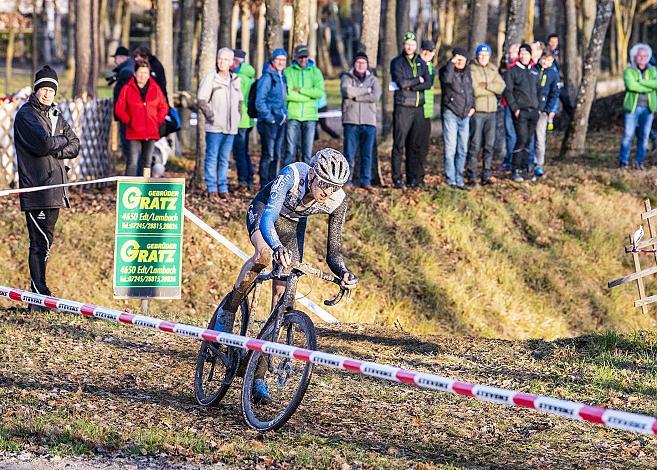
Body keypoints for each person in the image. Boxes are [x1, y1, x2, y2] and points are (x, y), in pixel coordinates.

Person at [211, 148, 359, 403]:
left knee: (284, 296)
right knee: (264, 256)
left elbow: (333, 251)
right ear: (311, 174)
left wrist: (344, 272)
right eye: (324, 183)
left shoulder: (337, 200)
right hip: (264, 212)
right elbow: (268, 219)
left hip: (292, 226)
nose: (328, 192)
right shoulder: (292, 174)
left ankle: (257, 375)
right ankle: (228, 310)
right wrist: (277, 248)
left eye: (335, 186)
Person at [13, 65, 80, 300]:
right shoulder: (26, 115)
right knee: (38, 242)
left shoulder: (55, 114)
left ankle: (40, 290)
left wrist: (57, 148)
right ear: (36, 89)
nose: (47, 94)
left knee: (47, 242)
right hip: (36, 188)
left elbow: (75, 145)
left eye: (51, 90)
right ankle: (38, 293)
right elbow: (42, 145)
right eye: (44, 89)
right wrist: (59, 141)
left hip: (55, 189)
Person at [196, 48, 242, 198]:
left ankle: (223, 188)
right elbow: (201, 99)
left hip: (231, 129)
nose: (221, 62)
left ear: (231, 62)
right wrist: (212, 117)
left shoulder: (236, 79)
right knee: (211, 158)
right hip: (215, 127)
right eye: (219, 59)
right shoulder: (211, 78)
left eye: (225, 59)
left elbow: (240, 101)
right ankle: (211, 188)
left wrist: (238, 117)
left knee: (224, 159)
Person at [390, 32, 433, 188]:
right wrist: (417, 81)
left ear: (416, 47)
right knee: (399, 144)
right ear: (404, 45)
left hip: (418, 108)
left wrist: (412, 84)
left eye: (413, 45)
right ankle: (396, 178)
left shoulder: (421, 62)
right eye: (408, 44)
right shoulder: (397, 62)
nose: (410, 47)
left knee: (415, 146)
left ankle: (413, 178)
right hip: (403, 107)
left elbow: (428, 83)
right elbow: (401, 83)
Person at [115, 59, 169, 177]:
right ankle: (129, 189)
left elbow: (164, 106)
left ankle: (145, 187)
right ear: (135, 73)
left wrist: (157, 121)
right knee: (132, 162)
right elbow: (119, 109)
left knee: (147, 163)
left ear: (149, 74)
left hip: (151, 132)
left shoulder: (155, 89)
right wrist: (129, 121)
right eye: (140, 73)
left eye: (145, 73)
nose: (143, 76)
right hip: (134, 132)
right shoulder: (127, 89)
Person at [340, 51, 381, 190]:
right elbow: (347, 92)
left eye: (363, 63)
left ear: (367, 65)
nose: (361, 65)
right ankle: (347, 181)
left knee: (367, 154)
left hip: (369, 121)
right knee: (349, 153)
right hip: (350, 121)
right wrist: (365, 91)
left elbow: (375, 96)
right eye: (358, 62)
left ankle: (366, 181)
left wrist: (356, 95)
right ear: (354, 64)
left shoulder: (373, 79)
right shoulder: (346, 77)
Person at [467, 44, 506, 185]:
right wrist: (491, 88)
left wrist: (487, 85)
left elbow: (501, 87)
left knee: (489, 145)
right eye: (481, 55)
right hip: (478, 111)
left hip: (492, 111)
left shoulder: (492, 68)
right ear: (477, 55)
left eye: (486, 55)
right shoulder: (472, 69)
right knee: (475, 144)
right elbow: (475, 89)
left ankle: (486, 174)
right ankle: (471, 174)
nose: (483, 57)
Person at [439, 47, 475, 189]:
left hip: (465, 115)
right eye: (458, 58)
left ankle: (459, 180)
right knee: (450, 148)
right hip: (451, 113)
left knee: (462, 149)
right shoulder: (446, 70)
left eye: (463, 59)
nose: (460, 62)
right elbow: (446, 80)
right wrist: (451, 64)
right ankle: (451, 180)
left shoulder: (467, 73)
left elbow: (470, 91)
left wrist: (473, 106)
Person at [503, 44, 540, 182]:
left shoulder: (534, 71)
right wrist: (515, 108)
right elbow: (508, 91)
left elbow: (539, 90)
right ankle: (516, 168)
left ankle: (526, 168)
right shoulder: (512, 71)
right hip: (521, 112)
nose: (524, 56)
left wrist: (539, 107)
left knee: (529, 140)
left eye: (527, 54)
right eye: (522, 54)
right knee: (521, 139)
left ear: (530, 55)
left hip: (534, 111)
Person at [283, 45, 325, 165]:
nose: (303, 59)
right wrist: (309, 97)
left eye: (305, 57)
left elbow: (319, 93)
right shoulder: (288, 72)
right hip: (293, 116)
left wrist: (301, 90)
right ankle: (288, 179)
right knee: (290, 152)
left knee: (307, 153)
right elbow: (288, 94)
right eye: (300, 57)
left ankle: (307, 181)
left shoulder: (316, 72)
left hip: (310, 117)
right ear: (295, 57)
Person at [619, 43, 657, 169]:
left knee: (644, 137)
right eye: (639, 55)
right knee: (628, 135)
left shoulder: (652, 70)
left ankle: (639, 162)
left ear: (648, 57)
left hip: (648, 108)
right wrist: (648, 86)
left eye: (645, 55)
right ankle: (623, 162)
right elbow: (631, 86)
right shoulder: (629, 71)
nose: (642, 58)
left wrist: (640, 82)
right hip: (632, 108)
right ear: (634, 57)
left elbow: (656, 84)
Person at [256, 48, 288, 188]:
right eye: (278, 59)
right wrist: (270, 118)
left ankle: (272, 184)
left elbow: (282, 100)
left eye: (283, 60)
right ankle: (264, 184)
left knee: (276, 155)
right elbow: (259, 102)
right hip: (269, 123)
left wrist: (284, 115)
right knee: (268, 155)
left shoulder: (282, 77)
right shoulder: (267, 77)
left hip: (280, 121)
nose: (281, 62)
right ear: (273, 61)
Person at [231, 49, 256, 191]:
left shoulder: (239, 78)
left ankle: (244, 181)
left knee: (239, 153)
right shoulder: (249, 75)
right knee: (243, 152)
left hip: (240, 120)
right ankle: (249, 178)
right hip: (248, 120)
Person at [533, 51, 560, 178]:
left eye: (548, 60)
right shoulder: (533, 70)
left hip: (542, 111)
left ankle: (539, 164)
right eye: (543, 59)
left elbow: (554, 94)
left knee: (540, 138)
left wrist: (547, 110)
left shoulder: (553, 74)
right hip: (530, 108)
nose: (545, 62)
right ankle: (527, 162)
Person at [109, 46, 134, 169]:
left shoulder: (126, 72)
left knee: (128, 148)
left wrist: (124, 116)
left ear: (122, 58)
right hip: (127, 116)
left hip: (127, 117)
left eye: (116, 58)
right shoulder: (125, 70)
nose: (115, 61)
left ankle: (130, 174)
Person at [419, 40, 436, 187]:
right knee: (415, 145)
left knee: (424, 146)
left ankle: (421, 175)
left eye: (430, 51)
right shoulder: (418, 65)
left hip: (428, 111)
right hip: (417, 109)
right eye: (425, 50)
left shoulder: (432, 67)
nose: (427, 53)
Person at [500, 44, 520, 170]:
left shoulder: (515, 69)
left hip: (513, 105)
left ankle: (512, 160)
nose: (510, 56)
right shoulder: (505, 67)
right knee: (509, 134)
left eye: (513, 53)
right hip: (506, 103)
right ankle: (509, 158)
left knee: (512, 134)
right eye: (509, 53)